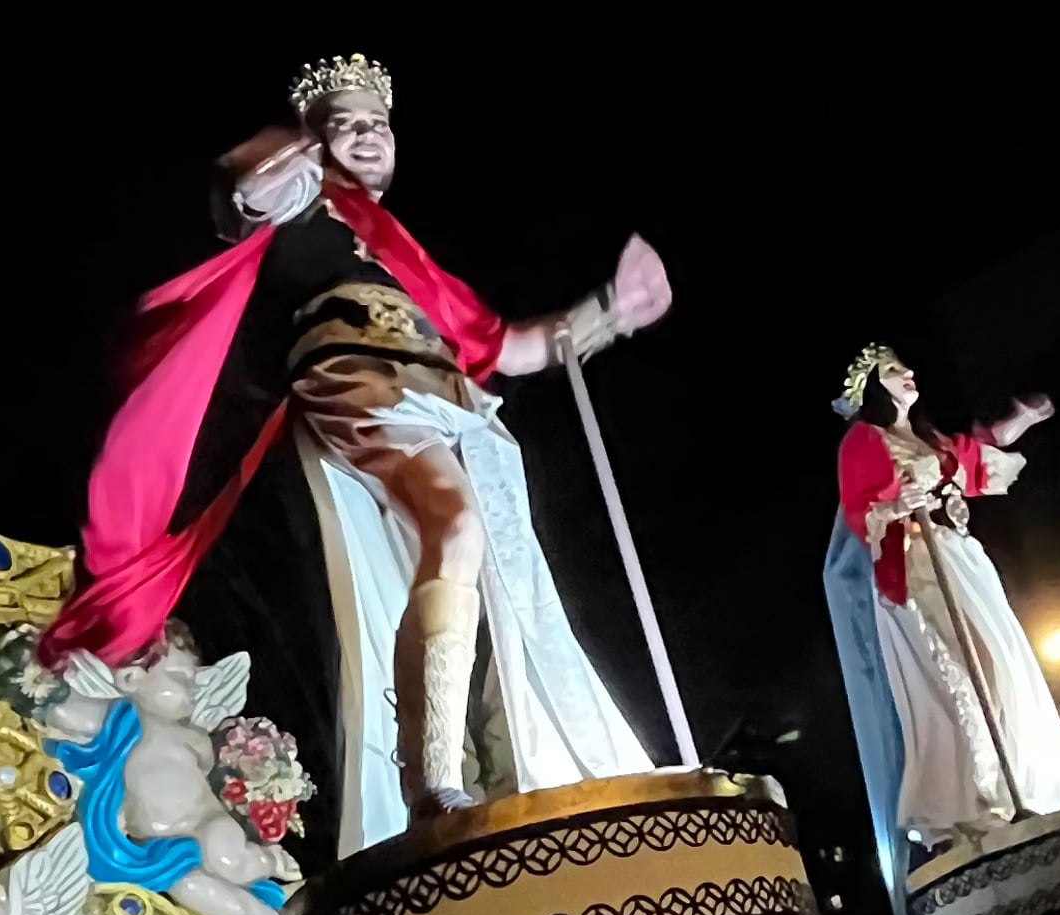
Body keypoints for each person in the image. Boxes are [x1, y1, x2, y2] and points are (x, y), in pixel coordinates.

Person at [41, 55, 665, 846]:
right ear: (317, 137)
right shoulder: (306, 200)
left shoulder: (408, 258)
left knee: (488, 570)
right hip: (356, 378)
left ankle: (491, 771)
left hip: (444, 397)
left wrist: (614, 310)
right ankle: (431, 780)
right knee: (459, 530)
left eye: (381, 123)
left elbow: (506, 348)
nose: (369, 135)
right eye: (349, 122)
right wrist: (281, 159)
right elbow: (246, 190)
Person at [826, 343, 1060, 847]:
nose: (907, 373)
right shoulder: (864, 439)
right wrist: (894, 503)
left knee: (1003, 665)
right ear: (872, 388)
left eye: (906, 366)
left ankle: (1021, 785)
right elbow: (861, 509)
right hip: (914, 566)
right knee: (960, 677)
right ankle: (979, 800)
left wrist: (1023, 419)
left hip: (960, 560)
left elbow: (975, 459)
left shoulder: (928, 439)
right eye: (893, 370)